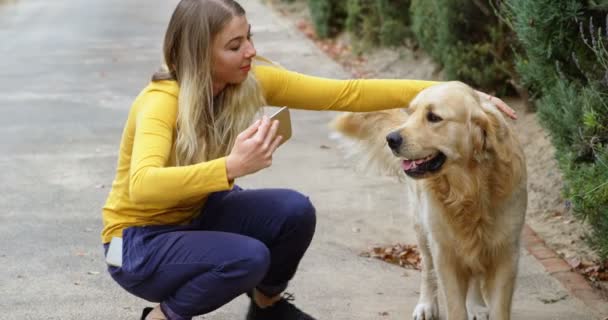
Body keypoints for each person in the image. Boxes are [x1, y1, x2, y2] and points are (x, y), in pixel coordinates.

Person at [100, 0, 517, 319]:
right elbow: (143, 184)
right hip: (137, 242)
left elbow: (345, 94)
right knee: (247, 258)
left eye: (249, 37)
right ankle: (163, 315)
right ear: (198, 54)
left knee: (294, 212)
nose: (250, 51)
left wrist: (456, 92)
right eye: (234, 45)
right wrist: (231, 167)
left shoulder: (244, 82)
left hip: (196, 215)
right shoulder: (161, 103)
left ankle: (267, 308)